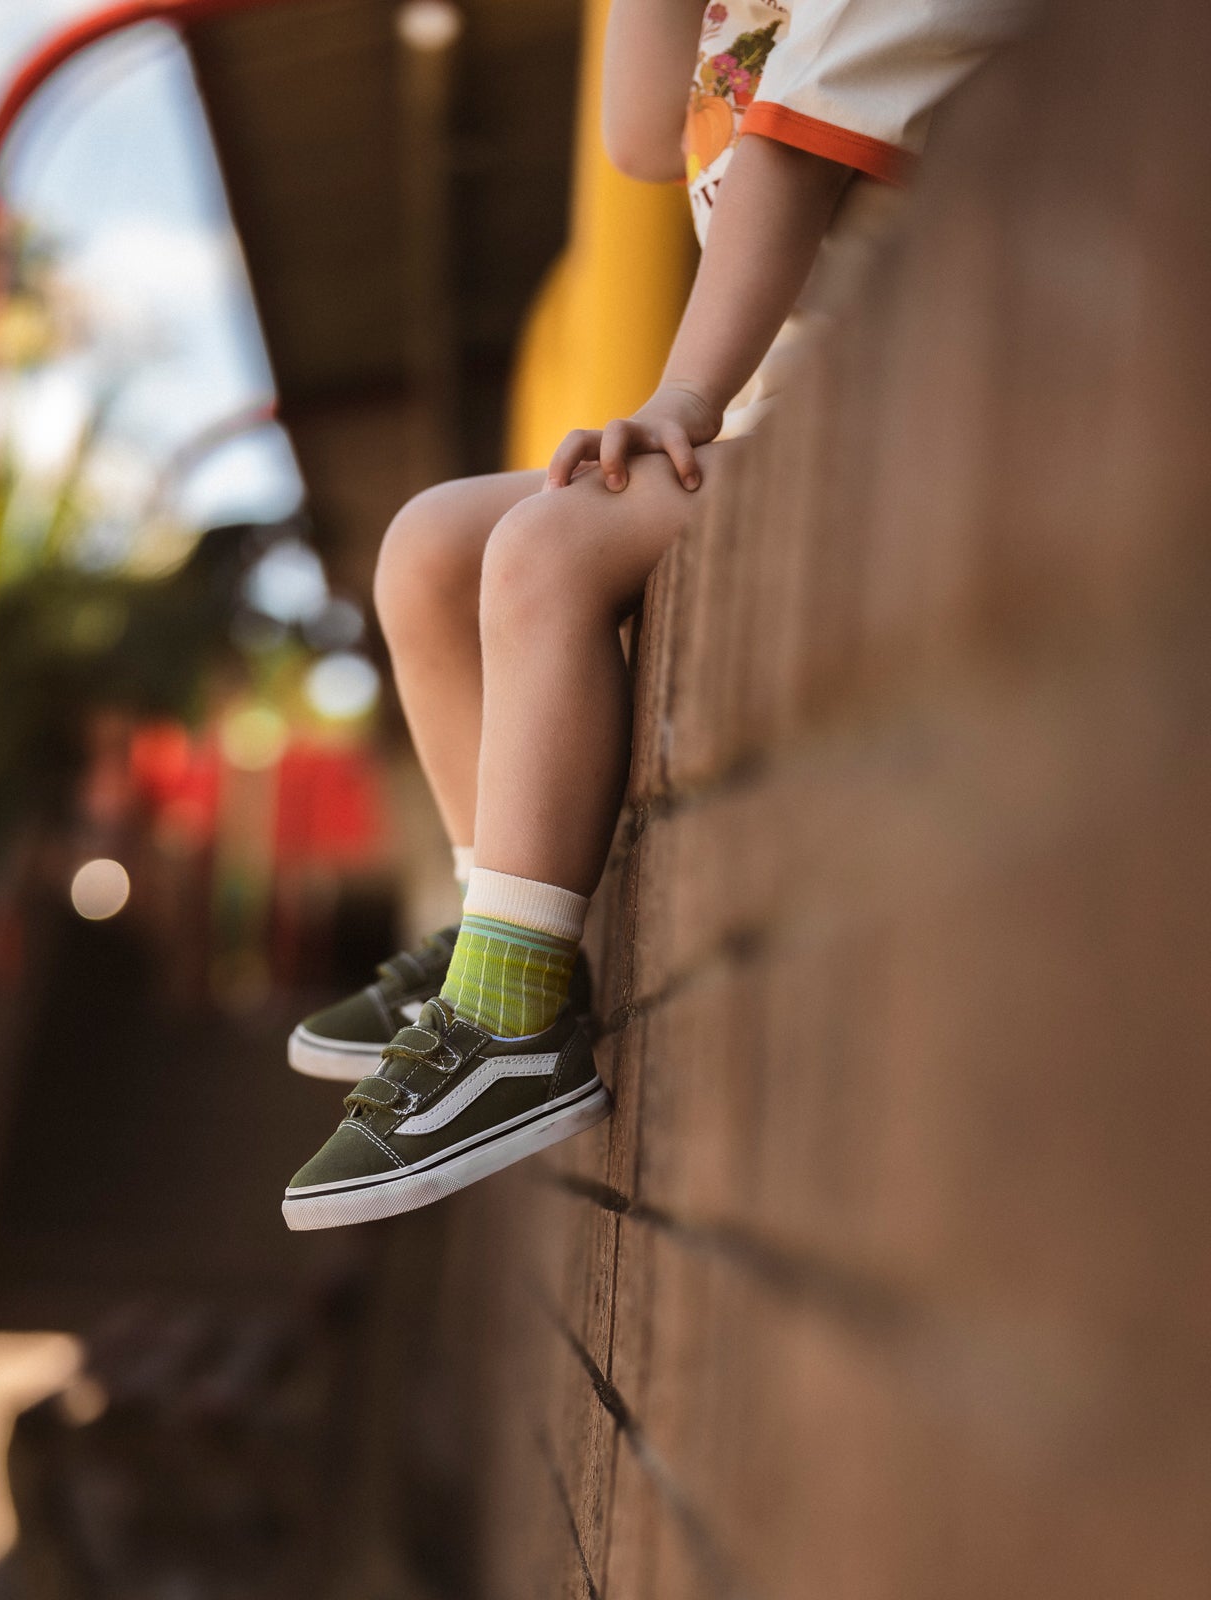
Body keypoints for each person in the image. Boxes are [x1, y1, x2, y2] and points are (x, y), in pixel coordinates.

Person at [281, 0, 1022, 1231]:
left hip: (912, 389)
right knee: (427, 547)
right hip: (789, 410)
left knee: (543, 553)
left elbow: (791, 148)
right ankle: (492, 927)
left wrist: (683, 394)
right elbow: (638, 136)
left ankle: (509, 1019)